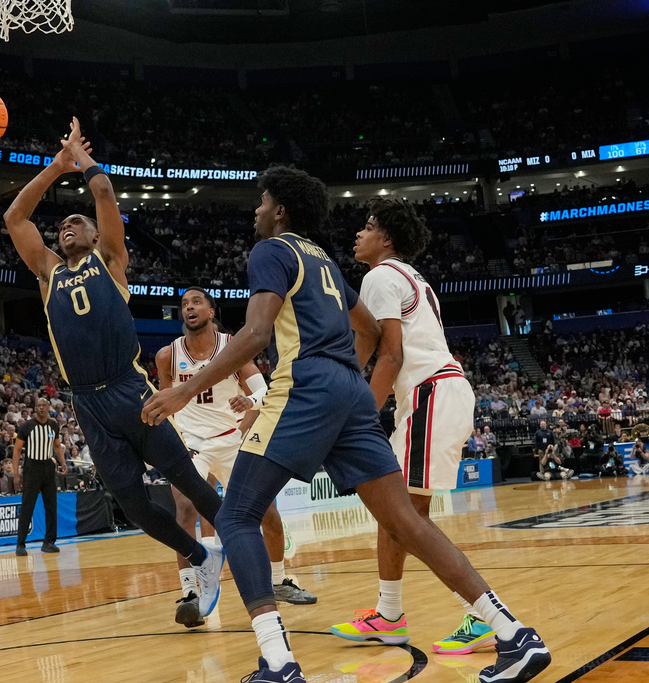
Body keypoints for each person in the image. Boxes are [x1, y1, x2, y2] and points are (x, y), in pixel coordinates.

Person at [141, 166, 550, 683]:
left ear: (282, 210)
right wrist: (345, 381)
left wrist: (180, 390)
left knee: (237, 517)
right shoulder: (326, 262)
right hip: (352, 394)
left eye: (263, 202)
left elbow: (255, 332)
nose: (257, 210)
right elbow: (371, 329)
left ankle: (278, 661)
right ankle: (515, 634)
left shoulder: (272, 250)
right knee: (407, 522)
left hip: (307, 384)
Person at [4, 118, 225, 620]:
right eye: (63, 226)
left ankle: (244, 550)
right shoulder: (48, 271)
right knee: (134, 506)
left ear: (94, 234)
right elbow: (16, 218)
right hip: (86, 400)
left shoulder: (109, 258)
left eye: (77, 223)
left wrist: (80, 162)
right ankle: (199, 556)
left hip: (130, 389)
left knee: (188, 483)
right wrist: (53, 168)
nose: (67, 227)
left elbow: (102, 187)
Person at [325, 196, 496, 656]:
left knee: (404, 516)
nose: (358, 234)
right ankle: (389, 615)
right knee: (398, 514)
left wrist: (358, 416)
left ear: (388, 239)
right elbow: (380, 347)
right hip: (436, 394)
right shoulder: (410, 277)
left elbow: (393, 355)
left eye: (367, 226)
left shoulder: (380, 275)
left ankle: (485, 618)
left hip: (430, 394)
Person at [156, 288, 315, 629]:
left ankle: (280, 580)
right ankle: (189, 593)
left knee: (267, 514)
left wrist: (250, 404)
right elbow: (168, 401)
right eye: (184, 304)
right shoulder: (167, 356)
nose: (189, 308)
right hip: (193, 442)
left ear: (211, 312)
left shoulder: (232, 347)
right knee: (183, 509)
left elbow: (263, 389)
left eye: (196, 302)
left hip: (231, 440)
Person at [12, 398, 67, 555]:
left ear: (48, 408)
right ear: (35, 408)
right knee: (27, 506)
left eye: (44, 405)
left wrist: (62, 463)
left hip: (48, 467)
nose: (41, 408)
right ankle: (20, 544)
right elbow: (16, 450)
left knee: (51, 506)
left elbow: (57, 446)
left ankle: (49, 542)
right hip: (32, 467)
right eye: (38, 406)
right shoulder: (27, 426)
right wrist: (16, 474)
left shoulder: (54, 425)